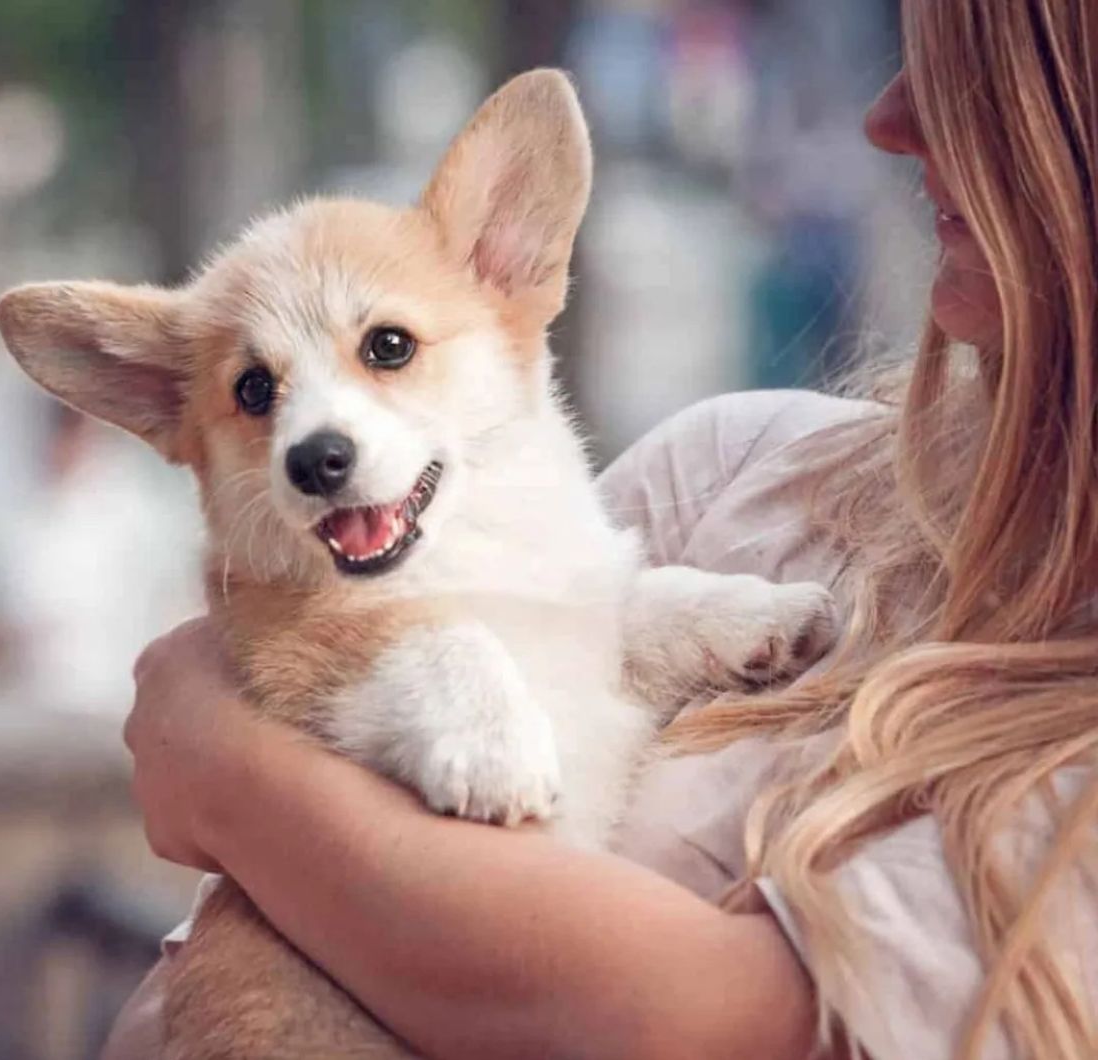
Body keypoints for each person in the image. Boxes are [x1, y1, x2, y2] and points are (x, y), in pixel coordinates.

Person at [105, 0, 1098, 1056]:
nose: (887, 118)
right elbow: (174, 1004)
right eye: (907, 57)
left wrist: (231, 771)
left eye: (979, 80)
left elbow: (727, 1025)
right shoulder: (732, 477)